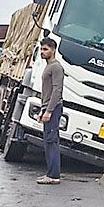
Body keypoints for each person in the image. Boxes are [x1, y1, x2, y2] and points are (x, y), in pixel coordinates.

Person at [37, 37, 65, 185]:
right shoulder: (48, 66)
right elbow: (47, 92)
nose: (43, 52)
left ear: (53, 50)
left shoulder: (56, 67)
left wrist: (49, 111)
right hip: (48, 107)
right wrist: (43, 110)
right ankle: (51, 173)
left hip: (54, 108)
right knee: (48, 141)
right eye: (41, 49)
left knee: (52, 141)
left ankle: (54, 175)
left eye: (46, 49)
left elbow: (57, 90)